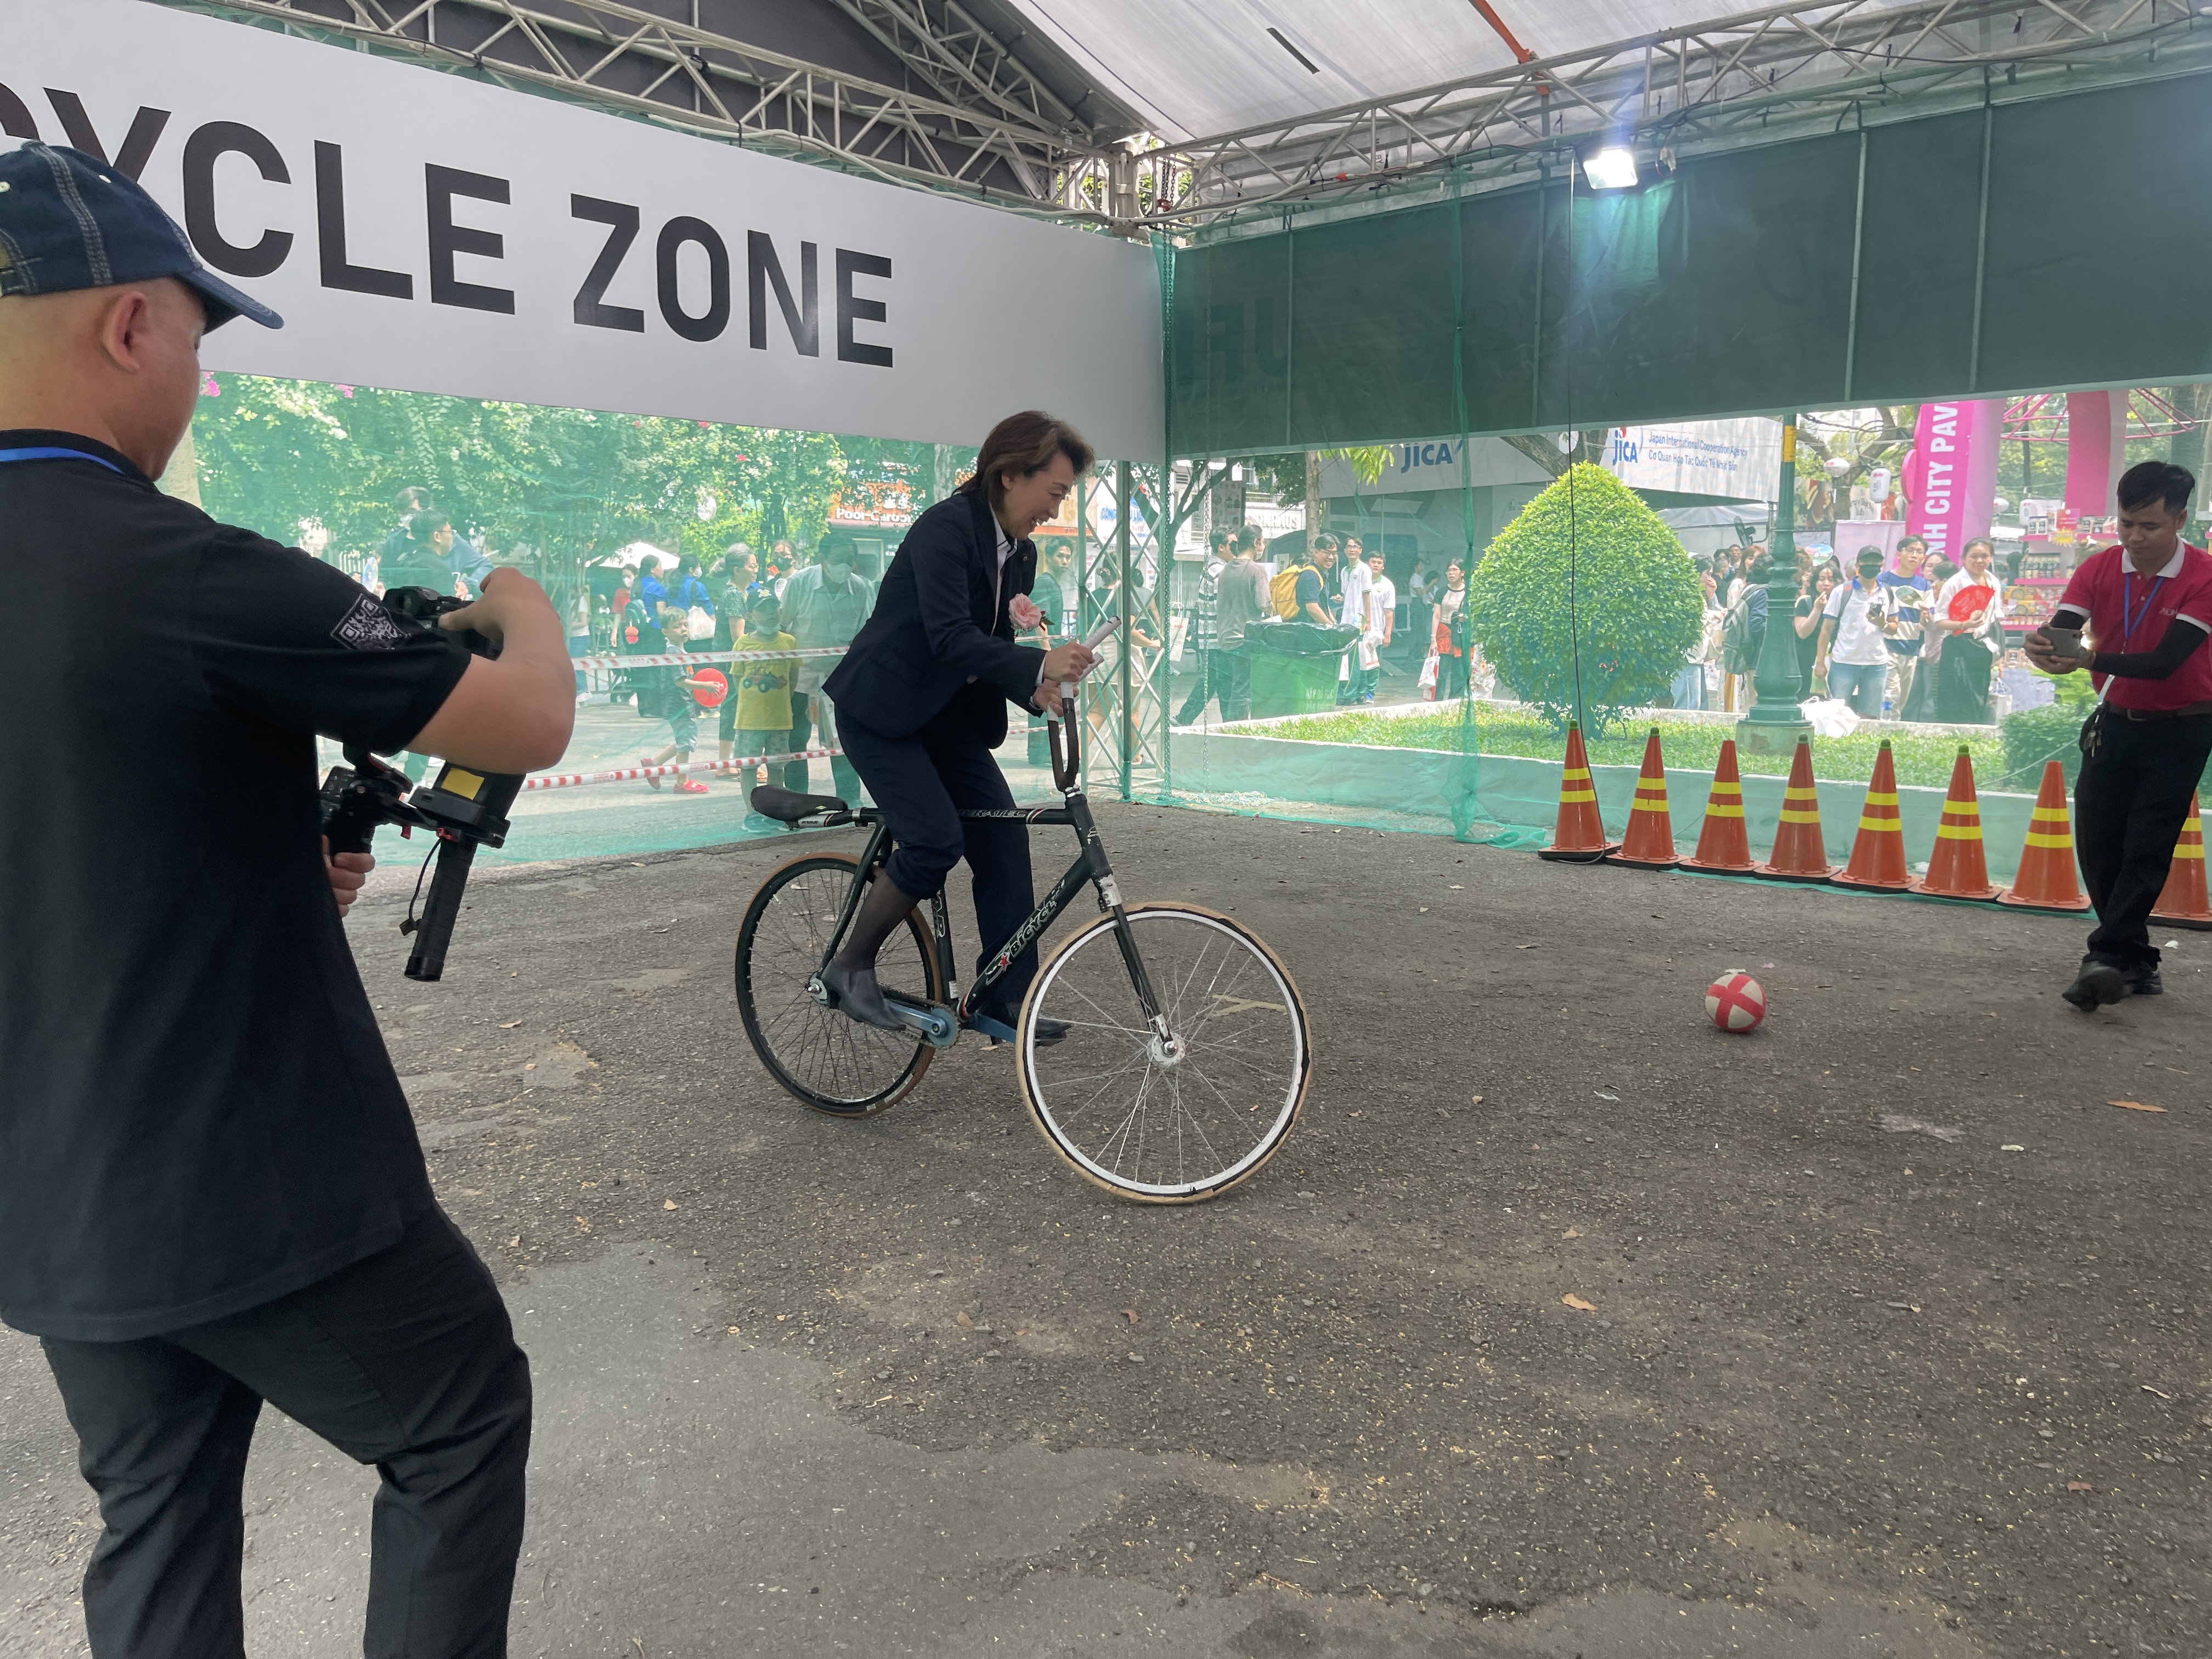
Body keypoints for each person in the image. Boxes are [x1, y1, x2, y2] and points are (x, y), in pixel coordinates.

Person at [0, 143, 575, 1657]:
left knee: (160, 1512)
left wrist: (264, 860)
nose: (199, 370)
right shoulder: (181, 569)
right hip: (242, 1177)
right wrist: (523, 598)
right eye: (200, 333)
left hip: (51, 1196)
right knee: (457, 1424)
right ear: (131, 325)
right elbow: (524, 721)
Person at [817, 410, 1098, 1042]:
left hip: (947, 720)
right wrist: (1036, 660)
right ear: (1007, 476)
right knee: (935, 840)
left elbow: (990, 646)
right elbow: (950, 639)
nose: (1055, 510)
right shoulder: (943, 529)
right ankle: (850, 965)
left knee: (1005, 839)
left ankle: (1003, 1000)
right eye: (1053, 493)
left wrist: (1038, 688)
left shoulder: (1019, 553)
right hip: (882, 713)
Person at [2025, 460, 2212, 1008]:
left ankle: (2104, 955)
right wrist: (2046, 649)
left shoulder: (2204, 576)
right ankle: (2137, 960)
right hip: (2114, 722)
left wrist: (2086, 656)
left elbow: (2163, 663)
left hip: (2186, 725)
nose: (2135, 538)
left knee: (2147, 845)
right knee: (2099, 842)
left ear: (2180, 519)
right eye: (2126, 524)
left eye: (2149, 527)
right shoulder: (2101, 568)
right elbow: (2062, 630)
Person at [778, 529, 874, 804]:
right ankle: (797, 803)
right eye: (840, 558)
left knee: (842, 742)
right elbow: (783, 628)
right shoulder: (799, 584)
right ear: (822, 558)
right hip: (801, 677)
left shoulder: (861, 587)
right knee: (796, 743)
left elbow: (867, 633)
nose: (846, 565)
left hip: (841, 680)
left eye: (851, 559)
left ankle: (849, 802)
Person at [726, 592, 798, 828]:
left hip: (781, 720)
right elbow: (738, 680)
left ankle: (775, 813)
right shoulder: (743, 643)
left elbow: (793, 678)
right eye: (762, 609)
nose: (770, 613)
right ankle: (753, 814)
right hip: (749, 720)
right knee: (748, 768)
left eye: (774, 607)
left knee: (777, 768)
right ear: (750, 615)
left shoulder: (789, 642)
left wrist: (782, 703)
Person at [1928, 537, 2008, 723]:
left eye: (1984, 556)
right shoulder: (1955, 583)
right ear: (1964, 558)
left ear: (1991, 558)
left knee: (1980, 692)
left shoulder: (1993, 582)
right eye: (1974, 556)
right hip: (1958, 646)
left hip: (1983, 647)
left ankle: (1975, 734)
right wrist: (1964, 625)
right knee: (1957, 695)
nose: (1979, 561)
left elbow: (1994, 620)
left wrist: (1998, 656)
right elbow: (1939, 621)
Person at [639, 608, 715, 795]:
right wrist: (704, 685)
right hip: (679, 704)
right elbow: (679, 681)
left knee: (684, 740)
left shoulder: (680, 650)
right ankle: (682, 782)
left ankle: (654, 765)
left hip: (682, 703)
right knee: (686, 742)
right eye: (677, 626)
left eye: (685, 625)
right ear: (665, 632)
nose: (683, 629)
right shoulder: (673, 652)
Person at [1814, 546, 1894, 718]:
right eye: (1866, 561)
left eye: (1876, 561)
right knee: (1837, 715)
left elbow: (1894, 627)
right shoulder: (1842, 591)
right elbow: (1826, 630)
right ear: (1858, 564)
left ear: (1882, 564)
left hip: (1876, 663)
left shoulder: (1887, 591)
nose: (1871, 565)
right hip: (1845, 661)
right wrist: (1820, 662)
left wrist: (1883, 624)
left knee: (1871, 716)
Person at [1212, 524, 1271, 722]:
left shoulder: (1226, 569)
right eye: (1262, 542)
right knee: (1243, 690)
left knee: (1230, 688)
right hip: (1245, 639)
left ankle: (1229, 726)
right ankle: (1235, 730)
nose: (1263, 546)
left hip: (1224, 638)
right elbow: (1264, 605)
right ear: (1256, 543)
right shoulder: (1256, 570)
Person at [1173, 528, 1228, 724]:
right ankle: (1229, 723)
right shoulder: (1220, 571)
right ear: (1221, 547)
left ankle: (1185, 718)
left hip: (1210, 637)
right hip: (1216, 637)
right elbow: (1223, 605)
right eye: (1233, 544)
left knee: (1213, 680)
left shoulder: (1210, 568)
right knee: (1218, 681)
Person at [1880, 535, 1932, 718]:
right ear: (1898, 554)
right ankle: (1887, 735)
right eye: (1909, 550)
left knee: (1902, 698)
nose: (1914, 555)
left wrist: (1926, 617)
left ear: (1923, 558)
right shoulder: (1883, 580)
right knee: (1891, 696)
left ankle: (1891, 731)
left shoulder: (1925, 585)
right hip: (1886, 646)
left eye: (1919, 552)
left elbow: (1926, 623)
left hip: (1911, 649)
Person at [1355, 546, 1396, 703]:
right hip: (1358, 629)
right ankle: (1357, 691)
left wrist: (1388, 634)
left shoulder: (1387, 585)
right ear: (1367, 563)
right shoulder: (1359, 580)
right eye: (1373, 562)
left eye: (1380, 563)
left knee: (1373, 664)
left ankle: (1369, 693)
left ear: (1383, 566)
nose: (1376, 565)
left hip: (1376, 632)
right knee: (1358, 662)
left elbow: (1389, 612)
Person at [1335, 534, 1372, 703]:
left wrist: (1368, 620)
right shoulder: (1344, 571)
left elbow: (1366, 596)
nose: (1352, 549)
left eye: (1355, 547)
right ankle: (1360, 694)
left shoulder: (1364, 569)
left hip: (1359, 620)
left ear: (1360, 550)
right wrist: (1339, 599)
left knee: (1355, 658)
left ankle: (1350, 695)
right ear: (1344, 550)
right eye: (1349, 547)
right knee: (1353, 658)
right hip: (1346, 619)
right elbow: (1346, 594)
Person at [1791, 564, 1838, 698]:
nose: (1827, 584)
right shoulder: (1805, 602)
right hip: (1806, 661)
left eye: (1831, 580)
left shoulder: (1841, 602)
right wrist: (1817, 610)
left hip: (1835, 660)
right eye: (1822, 579)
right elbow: (1802, 633)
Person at [1432, 560, 1471, 701]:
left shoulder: (1470, 592)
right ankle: (1437, 701)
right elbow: (1436, 615)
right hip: (1444, 634)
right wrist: (1433, 639)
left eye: (1455, 570)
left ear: (1462, 573)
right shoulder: (1442, 592)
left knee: (1459, 672)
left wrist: (1466, 618)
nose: (1451, 573)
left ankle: (1454, 701)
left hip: (1461, 635)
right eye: (1449, 570)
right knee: (1441, 672)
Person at [1302, 534, 1340, 628]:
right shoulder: (1311, 575)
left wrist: (1335, 624)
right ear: (1316, 552)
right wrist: (1331, 627)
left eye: (1334, 553)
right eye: (1327, 553)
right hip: (1306, 632)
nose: (1331, 557)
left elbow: (1324, 605)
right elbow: (1312, 608)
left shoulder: (1322, 574)